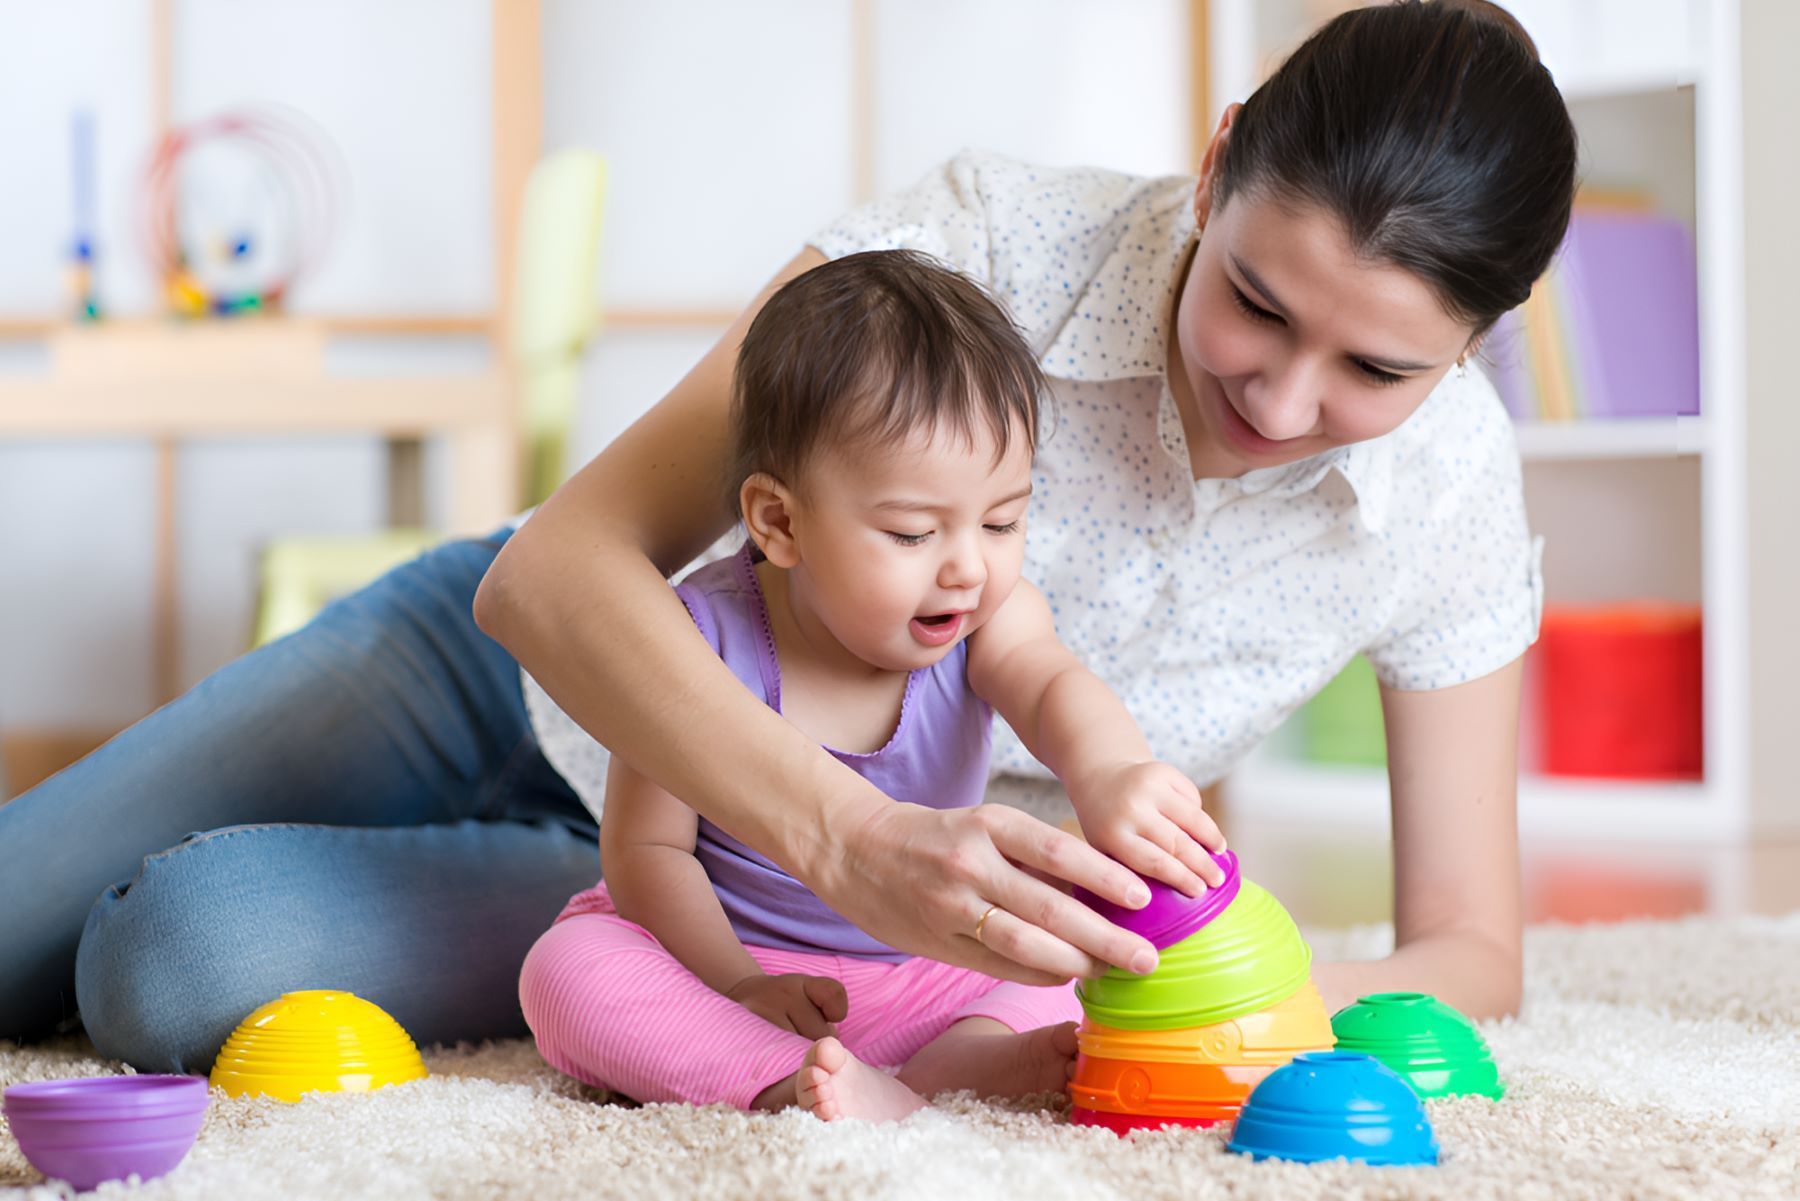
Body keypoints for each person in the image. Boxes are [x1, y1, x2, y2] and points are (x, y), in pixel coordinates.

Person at [0, 0, 1575, 1073]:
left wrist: (1217, 1011)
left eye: (1375, 369)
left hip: (710, 902)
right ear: (1220, 158)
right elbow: (552, 571)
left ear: (1486, 337)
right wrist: (846, 834)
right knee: (18, 901)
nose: (1285, 399)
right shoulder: (996, 239)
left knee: (176, 963)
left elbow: (1465, 944)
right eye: (1255, 301)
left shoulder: (1447, 505)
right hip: (503, 670)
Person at [518, 248, 1227, 1121]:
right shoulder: (697, 636)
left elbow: (1051, 688)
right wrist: (739, 983)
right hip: (730, 961)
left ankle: (951, 1064)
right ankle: (777, 1076)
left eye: (1004, 519)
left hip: (923, 969)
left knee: (1062, 955)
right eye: (912, 533)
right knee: (569, 971)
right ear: (779, 521)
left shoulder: (988, 619)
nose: (969, 567)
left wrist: (1113, 771)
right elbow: (647, 855)